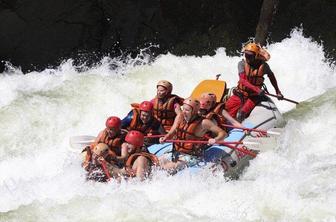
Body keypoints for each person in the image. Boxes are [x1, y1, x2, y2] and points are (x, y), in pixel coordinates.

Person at [159, 97, 227, 172]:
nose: (184, 112)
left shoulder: (203, 123)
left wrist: (215, 140)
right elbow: (171, 132)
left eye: (187, 110)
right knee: (159, 161)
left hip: (191, 156)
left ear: (194, 111)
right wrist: (165, 138)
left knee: (171, 166)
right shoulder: (180, 117)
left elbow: (223, 133)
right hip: (176, 152)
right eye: (183, 109)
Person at [225, 42, 284, 122]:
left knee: (241, 114)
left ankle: (241, 127)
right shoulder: (241, 64)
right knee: (226, 111)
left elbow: (271, 77)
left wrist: (278, 91)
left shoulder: (264, 66)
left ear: (256, 55)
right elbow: (243, 80)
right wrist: (257, 89)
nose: (247, 57)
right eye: (246, 55)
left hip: (254, 97)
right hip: (240, 94)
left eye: (250, 56)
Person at [85, 130, 158, 181]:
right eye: (127, 143)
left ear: (138, 146)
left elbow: (140, 181)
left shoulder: (141, 159)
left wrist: (106, 164)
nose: (127, 146)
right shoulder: (131, 156)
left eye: (131, 144)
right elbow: (122, 171)